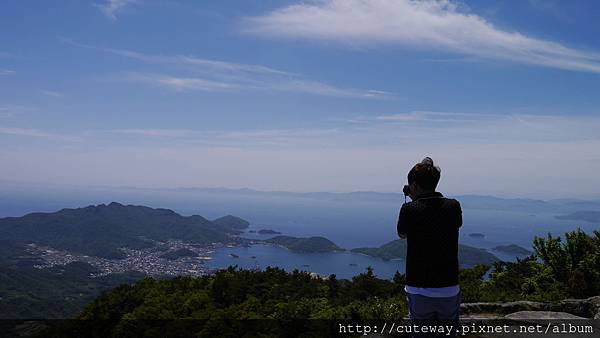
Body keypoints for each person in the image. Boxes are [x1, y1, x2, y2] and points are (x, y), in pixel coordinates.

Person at [397, 157, 462, 337]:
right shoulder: (453, 206)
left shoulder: (409, 209)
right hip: (448, 285)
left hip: (419, 286)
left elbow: (402, 234)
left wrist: (410, 200)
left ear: (414, 185)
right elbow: (454, 224)